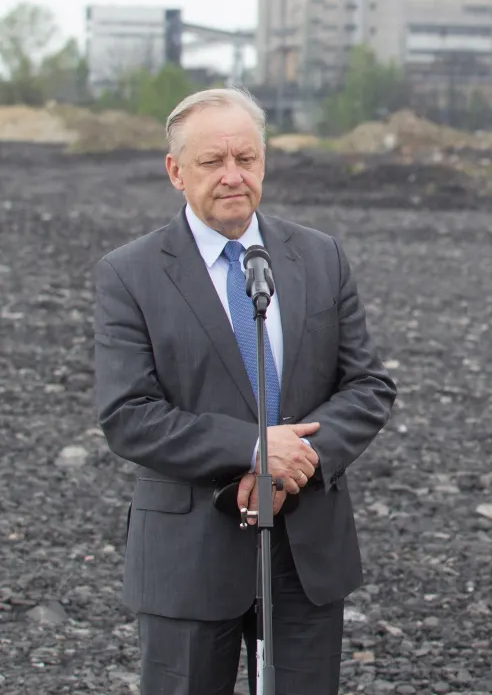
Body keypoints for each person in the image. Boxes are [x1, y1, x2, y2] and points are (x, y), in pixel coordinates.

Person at [93, 87, 397, 695]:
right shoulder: (129, 274)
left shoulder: (320, 256)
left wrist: (294, 462)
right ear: (175, 171)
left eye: (246, 158)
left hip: (305, 553)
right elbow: (128, 414)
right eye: (212, 161)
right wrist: (256, 450)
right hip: (188, 557)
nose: (233, 176)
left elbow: (367, 385)